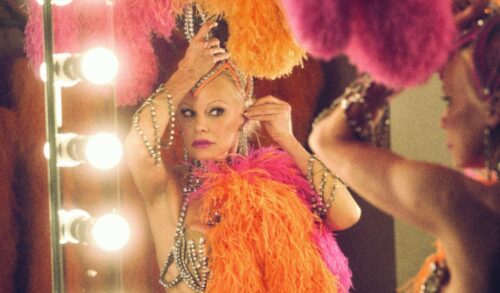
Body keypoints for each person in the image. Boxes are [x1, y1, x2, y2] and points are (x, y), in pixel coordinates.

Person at [126, 21, 361, 293]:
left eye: (216, 111)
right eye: (188, 113)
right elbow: (138, 146)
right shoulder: (168, 191)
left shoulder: (273, 191)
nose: (200, 125)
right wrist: (185, 75)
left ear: (244, 116)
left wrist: (289, 141)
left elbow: (347, 213)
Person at [309, 3, 500, 293]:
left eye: (449, 99)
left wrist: (414, 59)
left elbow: (326, 140)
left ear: (494, 108)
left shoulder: (471, 208)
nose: (443, 120)